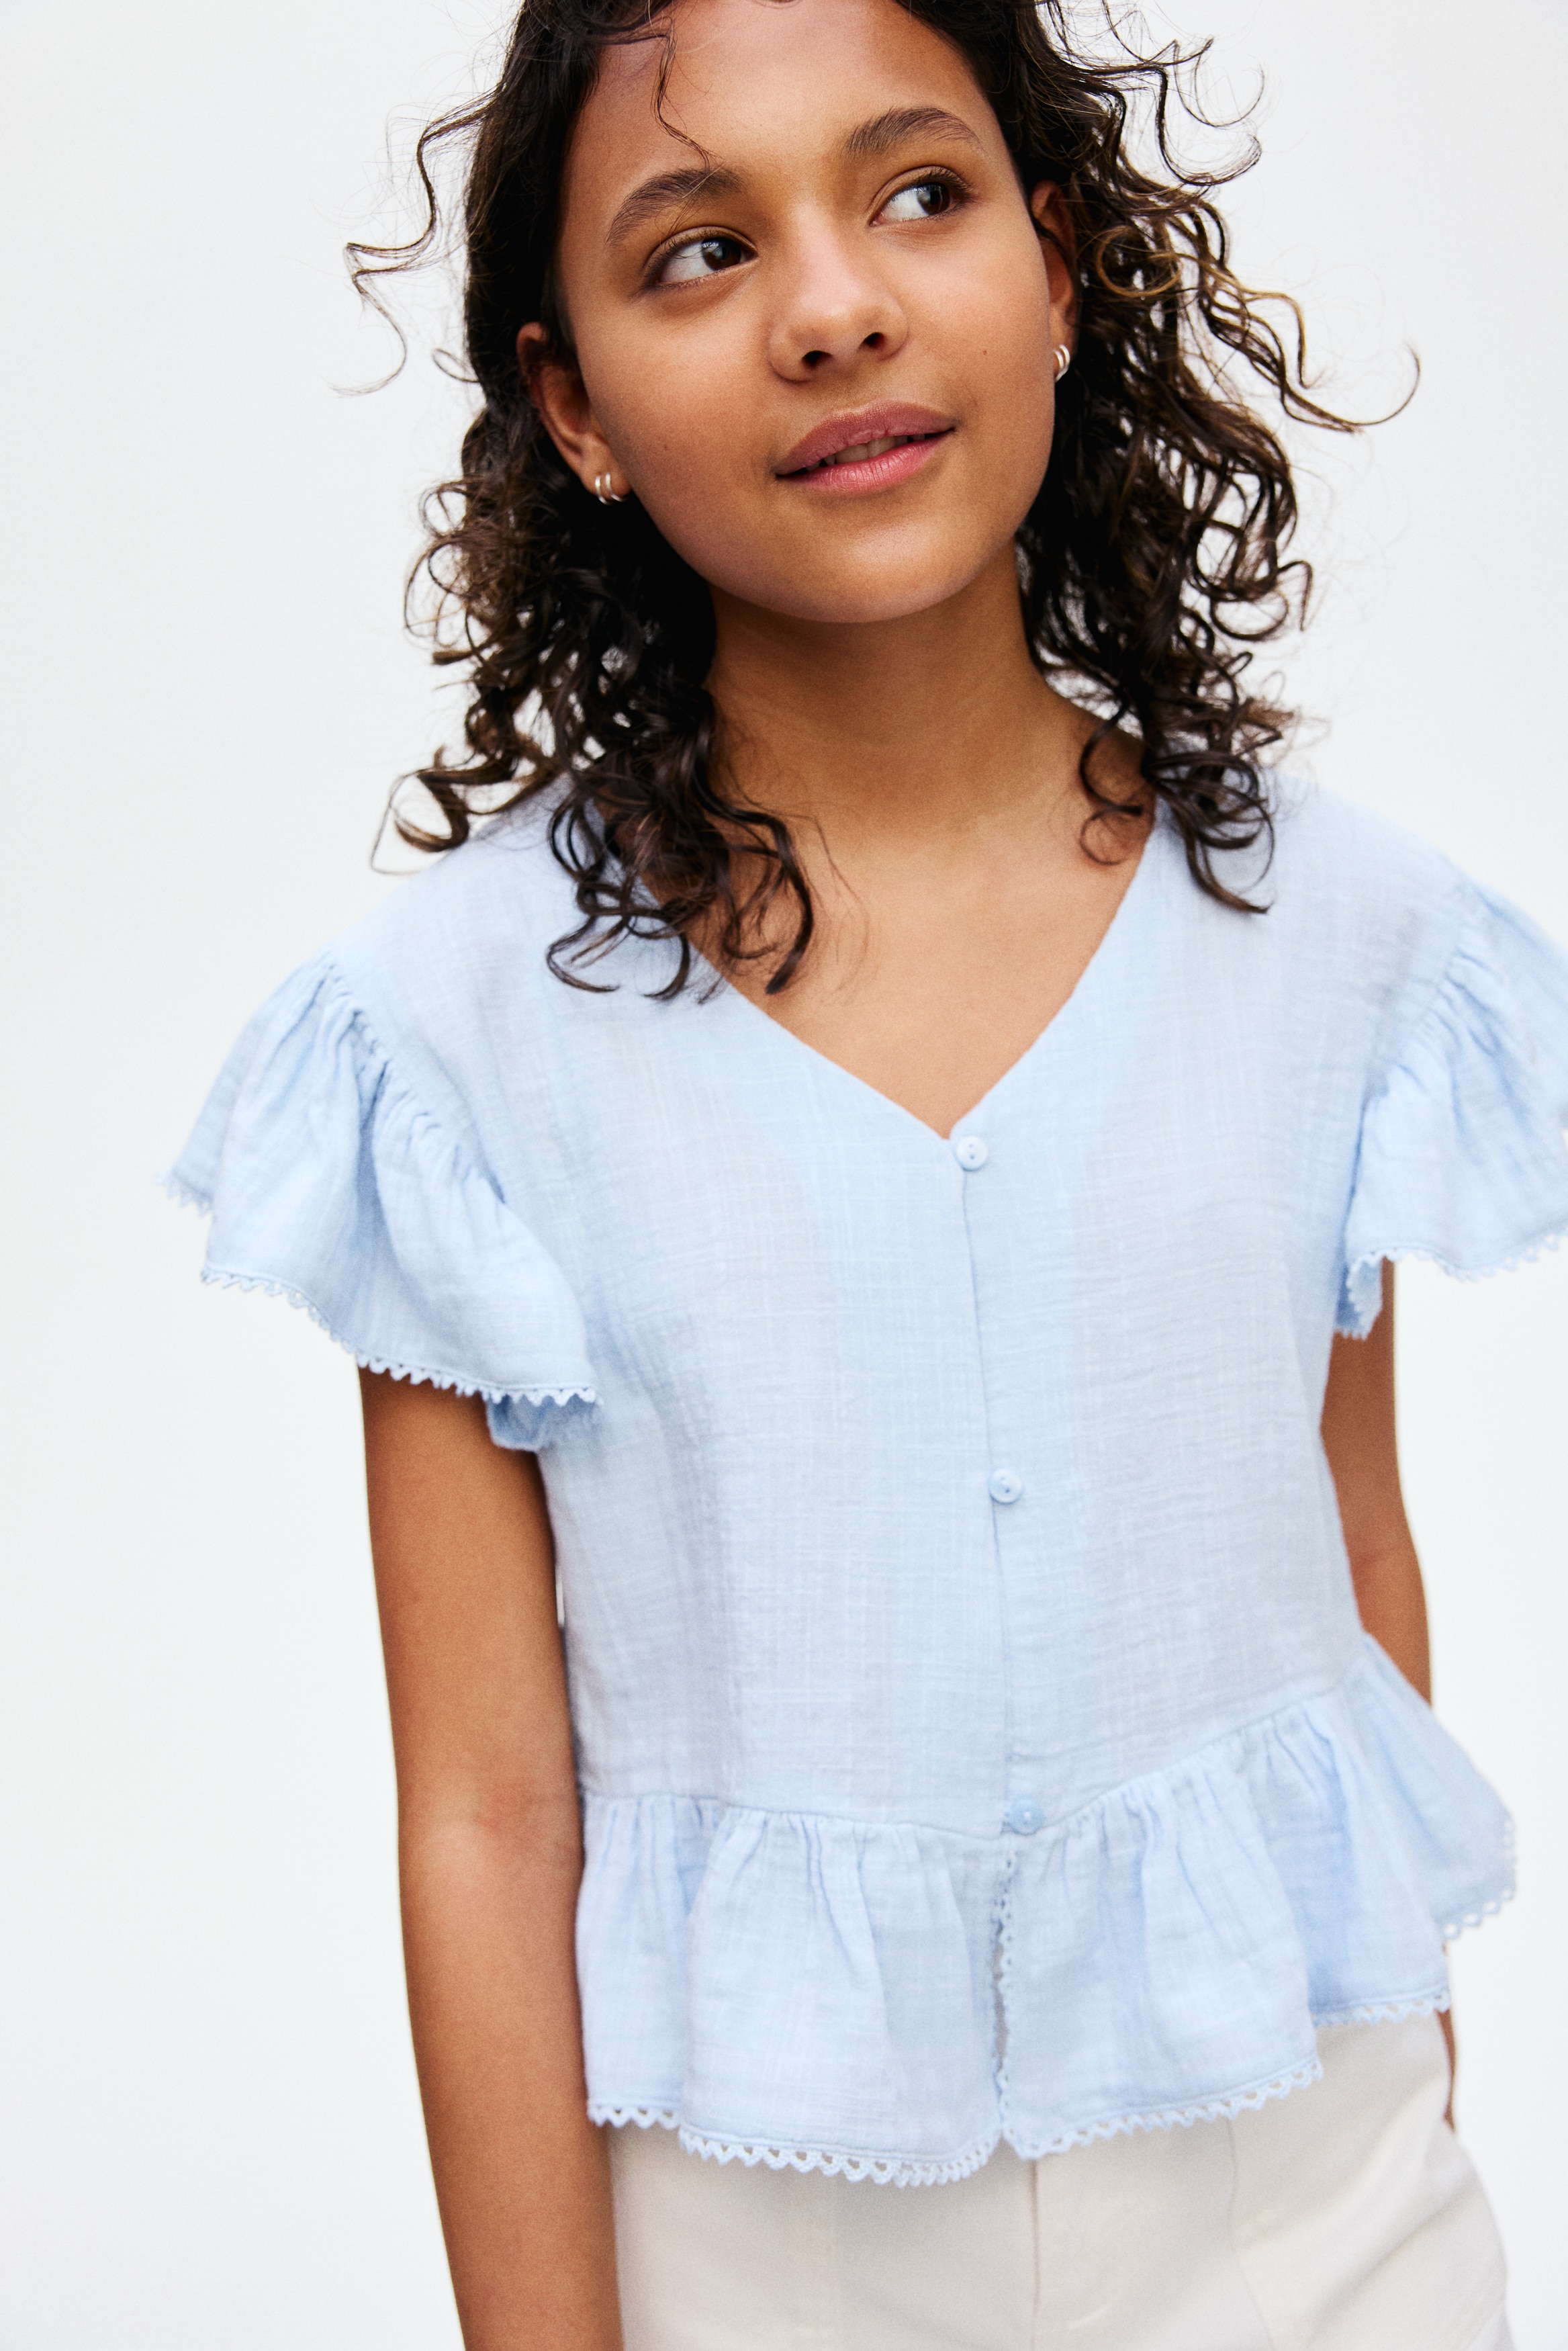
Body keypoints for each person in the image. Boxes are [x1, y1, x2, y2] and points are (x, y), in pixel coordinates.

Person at [166, 1, 1568, 2344]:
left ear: (1061, 265)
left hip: (1326, 2230)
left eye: (921, 192)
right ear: (572, 405)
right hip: (760, 2263)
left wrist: (1419, 2107)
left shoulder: (1333, 934)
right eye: (699, 251)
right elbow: (488, 1816)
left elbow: (1347, 1561)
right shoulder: (453, 1045)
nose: (834, 308)